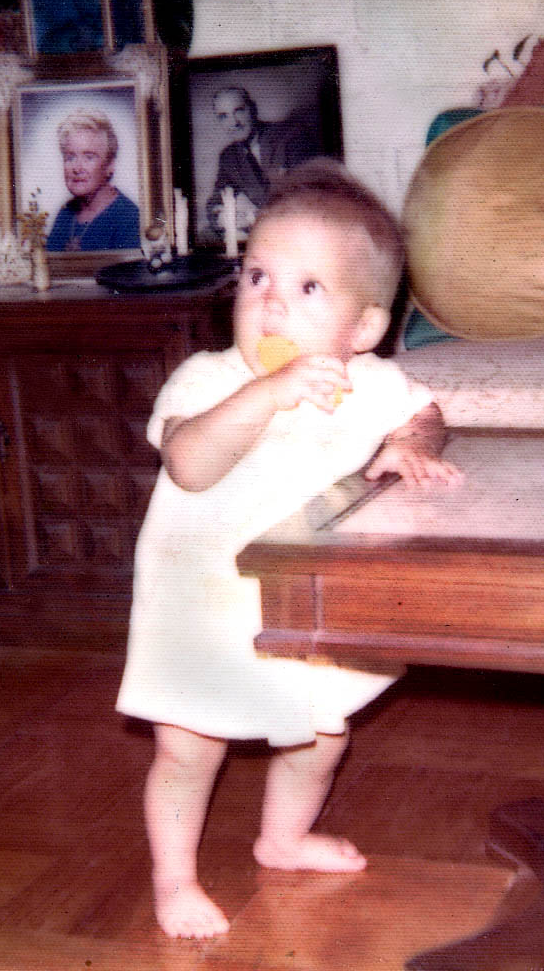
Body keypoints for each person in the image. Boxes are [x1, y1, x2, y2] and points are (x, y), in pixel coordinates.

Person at [116, 159, 462, 939]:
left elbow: (426, 408)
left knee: (321, 732)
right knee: (189, 746)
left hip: (298, 606)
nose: (269, 302)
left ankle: (282, 837)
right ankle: (174, 879)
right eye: (256, 277)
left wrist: (408, 442)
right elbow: (189, 463)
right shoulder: (206, 380)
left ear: (364, 328)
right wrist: (263, 394)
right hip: (199, 609)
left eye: (307, 289)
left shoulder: (366, 381)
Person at [205, 86, 320, 239]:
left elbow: (309, 196)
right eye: (223, 116)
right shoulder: (228, 157)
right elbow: (215, 201)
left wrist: (255, 217)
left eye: (239, 110)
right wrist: (223, 218)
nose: (234, 122)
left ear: (253, 109)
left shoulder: (291, 135)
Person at [45, 109, 140, 252]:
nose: (77, 168)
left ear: (110, 165)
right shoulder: (65, 213)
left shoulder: (128, 218)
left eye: (89, 157)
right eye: (70, 157)